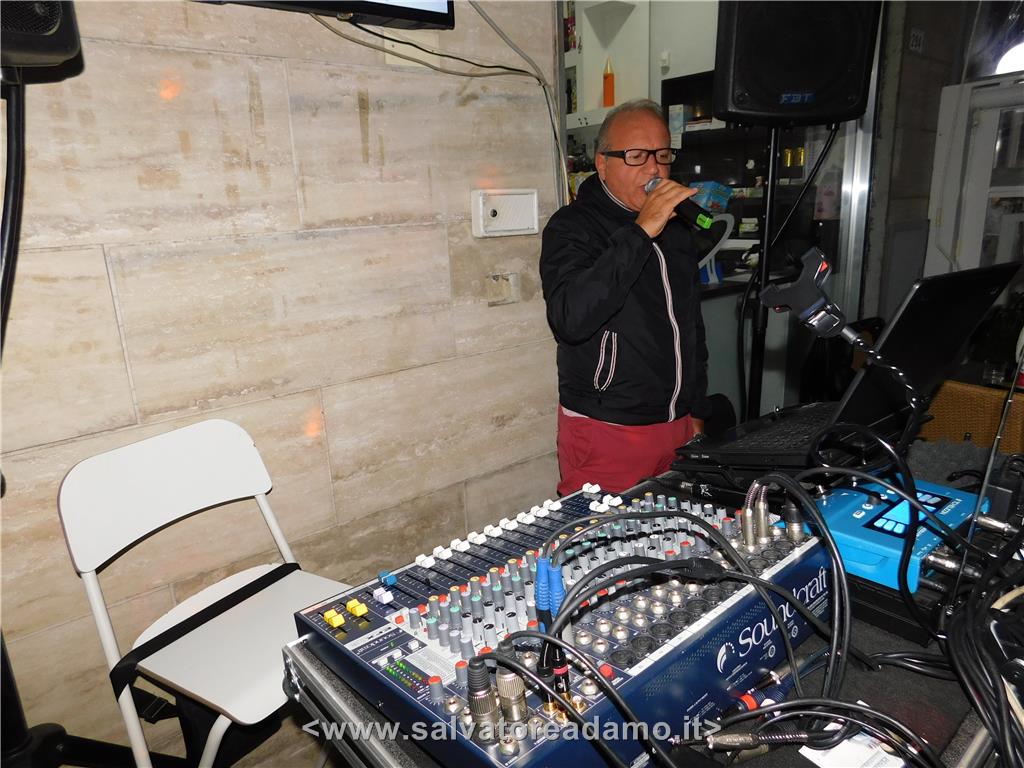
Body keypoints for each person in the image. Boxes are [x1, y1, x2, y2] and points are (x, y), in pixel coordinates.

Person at [540, 99, 711, 495]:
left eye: (662, 155)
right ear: (602, 163)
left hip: (677, 425)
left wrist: (696, 408)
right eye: (636, 156)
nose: (654, 169)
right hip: (608, 427)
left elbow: (691, 326)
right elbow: (570, 318)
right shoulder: (572, 226)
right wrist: (640, 232)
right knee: (603, 533)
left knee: (674, 529)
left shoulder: (677, 229)